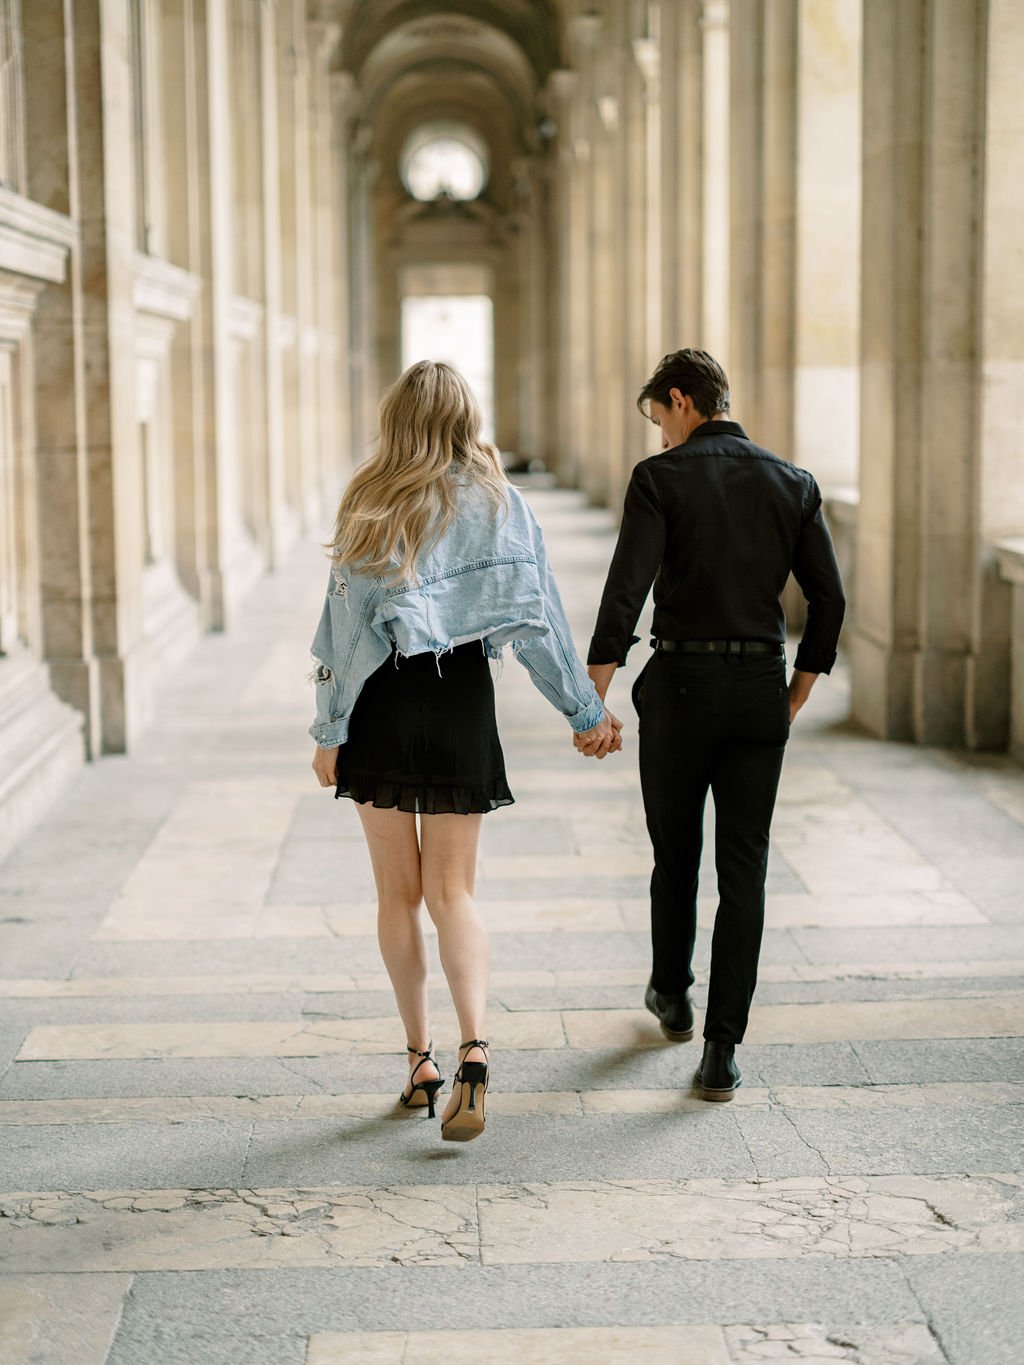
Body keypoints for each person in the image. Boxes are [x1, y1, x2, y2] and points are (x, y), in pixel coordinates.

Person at [308, 360, 621, 1143]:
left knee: (396, 894)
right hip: (460, 705)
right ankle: (473, 1047)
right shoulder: (502, 504)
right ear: (465, 417)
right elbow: (540, 617)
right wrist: (584, 711)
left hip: (383, 700)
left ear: (397, 419)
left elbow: (345, 635)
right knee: (455, 893)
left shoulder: (370, 498)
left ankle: (418, 1061)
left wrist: (328, 731)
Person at [583, 348, 845, 1101]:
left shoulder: (660, 478)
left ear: (680, 400)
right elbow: (828, 601)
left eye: (659, 417)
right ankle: (722, 1048)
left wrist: (593, 696)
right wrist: (795, 689)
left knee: (677, 853)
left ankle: (671, 994)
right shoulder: (792, 482)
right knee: (746, 867)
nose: (660, 432)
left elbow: (626, 591)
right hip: (760, 685)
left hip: (683, 687)